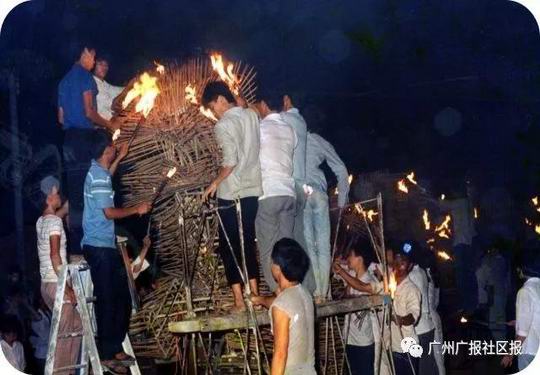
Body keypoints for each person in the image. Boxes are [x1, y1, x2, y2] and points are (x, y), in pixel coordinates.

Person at [81, 130, 151, 371]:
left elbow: (107, 179)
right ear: (105, 150)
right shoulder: (97, 176)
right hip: (98, 246)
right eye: (112, 146)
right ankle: (107, 353)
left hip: (105, 245)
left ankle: (116, 348)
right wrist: (136, 209)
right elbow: (108, 213)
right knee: (109, 299)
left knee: (121, 295)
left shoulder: (99, 172)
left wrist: (121, 158)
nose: (114, 147)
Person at [201, 81, 262, 312]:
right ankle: (254, 296)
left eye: (212, 106)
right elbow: (250, 108)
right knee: (247, 242)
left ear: (220, 99)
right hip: (252, 190)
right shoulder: (252, 117)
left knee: (229, 245)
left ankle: (239, 301)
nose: (213, 112)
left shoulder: (223, 125)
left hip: (231, 193)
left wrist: (214, 184)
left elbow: (230, 161)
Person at [58, 43, 118, 255]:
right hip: (84, 139)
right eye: (93, 57)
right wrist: (109, 125)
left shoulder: (64, 81)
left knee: (75, 196)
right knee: (91, 190)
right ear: (85, 54)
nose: (93, 62)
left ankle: (76, 250)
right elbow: (89, 112)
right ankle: (92, 248)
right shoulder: (84, 77)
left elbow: (61, 117)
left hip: (68, 140)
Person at [36, 175, 81, 373]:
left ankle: (68, 370)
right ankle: (63, 372)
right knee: (65, 336)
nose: (59, 196)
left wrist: (74, 197)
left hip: (46, 285)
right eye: (57, 193)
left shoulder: (42, 221)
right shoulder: (54, 223)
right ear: (50, 196)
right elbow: (55, 256)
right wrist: (67, 287)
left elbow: (60, 213)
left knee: (78, 325)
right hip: (57, 284)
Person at [251, 238, 316, 375]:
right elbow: (284, 306)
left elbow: (280, 354)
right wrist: (261, 300)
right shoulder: (305, 294)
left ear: (278, 267)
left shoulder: (282, 305)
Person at [254, 95, 297, 292]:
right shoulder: (290, 129)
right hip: (288, 194)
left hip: (269, 193)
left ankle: (277, 291)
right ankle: (291, 288)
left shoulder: (260, 129)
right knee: (286, 248)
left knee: (267, 250)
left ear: (263, 104)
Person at [305, 131, 350, 301]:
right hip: (319, 193)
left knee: (309, 244)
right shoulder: (318, 139)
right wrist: (341, 201)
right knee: (324, 246)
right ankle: (323, 292)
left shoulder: (291, 136)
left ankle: (316, 290)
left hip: (303, 192)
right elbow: (341, 168)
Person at [332, 240, 378, 375]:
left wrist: (342, 272)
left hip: (364, 343)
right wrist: (338, 263)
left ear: (359, 259)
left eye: (351, 255)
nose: (348, 258)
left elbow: (358, 285)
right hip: (349, 340)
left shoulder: (370, 281)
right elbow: (335, 268)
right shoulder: (351, 274)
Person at [439, 186, 477, 313]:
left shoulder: (459, 203)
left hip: (461, 243)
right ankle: (471, 304)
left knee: (461, 275)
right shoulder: (469, 202)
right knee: (469, 275)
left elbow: (441, 205)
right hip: (470, 243)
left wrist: (429, 196)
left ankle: (465, 306)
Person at [501, 249, 540, 371]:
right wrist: (518, 321)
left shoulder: (525, 291)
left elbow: (523, 333)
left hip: (529, 350)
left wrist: (510, 354)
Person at [281, 95, 308, 251]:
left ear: (287, 100)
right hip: (301, 186)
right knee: (299, 239)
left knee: (288, 239)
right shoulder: (301, 122)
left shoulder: (285, 118)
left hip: (291, 187)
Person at [407, 242, 438, 375]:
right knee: (430, 363)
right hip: (428, 324)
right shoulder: (422, 272)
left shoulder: (413, 275)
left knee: (424, 367)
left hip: (421, 327)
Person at [391, 246, 421, 375]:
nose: (399, 265)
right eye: (396, 261)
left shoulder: (412, 289)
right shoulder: (391, 286)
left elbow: (414, 316)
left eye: (403, 262)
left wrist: (401, 319)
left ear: (410, 266)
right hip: (394, 346)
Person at [475, 241, 510, 341]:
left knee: (495, 323)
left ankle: (500, 350)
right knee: (500, 321)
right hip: (502, 295)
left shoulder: (488, 260)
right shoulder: (503, 259)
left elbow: (481, 278)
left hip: (494, 294)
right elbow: (507, 279)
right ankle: (501, 347)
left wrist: (483, 299)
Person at [93, 55, 124, 120]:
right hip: (101, 127)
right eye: (100, 64)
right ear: (93, 65)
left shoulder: (103, 83)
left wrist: (135, 86)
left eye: (106, 65)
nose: (104, 68)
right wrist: (129, 87)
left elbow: (117, 90)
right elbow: (113, 105)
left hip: (111, 122)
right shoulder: (93, 83)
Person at [29, 297, 51, 375]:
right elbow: (36, 315)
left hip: (48, 351)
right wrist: (24, 303)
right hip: (41, 353)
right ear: (40, 300)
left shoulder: (47, 313)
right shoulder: (36, 315)